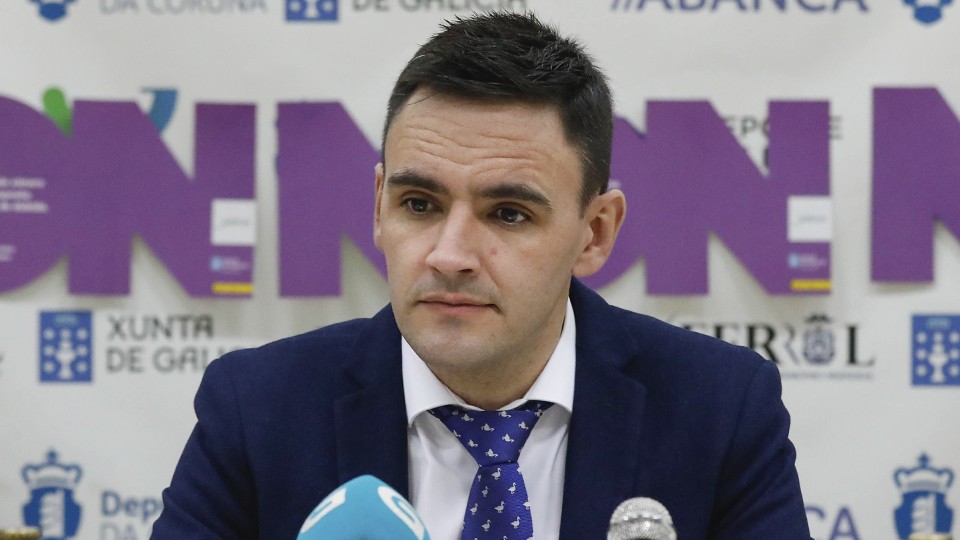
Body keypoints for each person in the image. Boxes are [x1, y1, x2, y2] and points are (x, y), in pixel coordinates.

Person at [152, 11, 810, 540]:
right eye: (419, 205)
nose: (449, 254)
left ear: (596, 231)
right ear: (379, 207)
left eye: (508, 213)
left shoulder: (719, 410)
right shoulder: (257, 410)